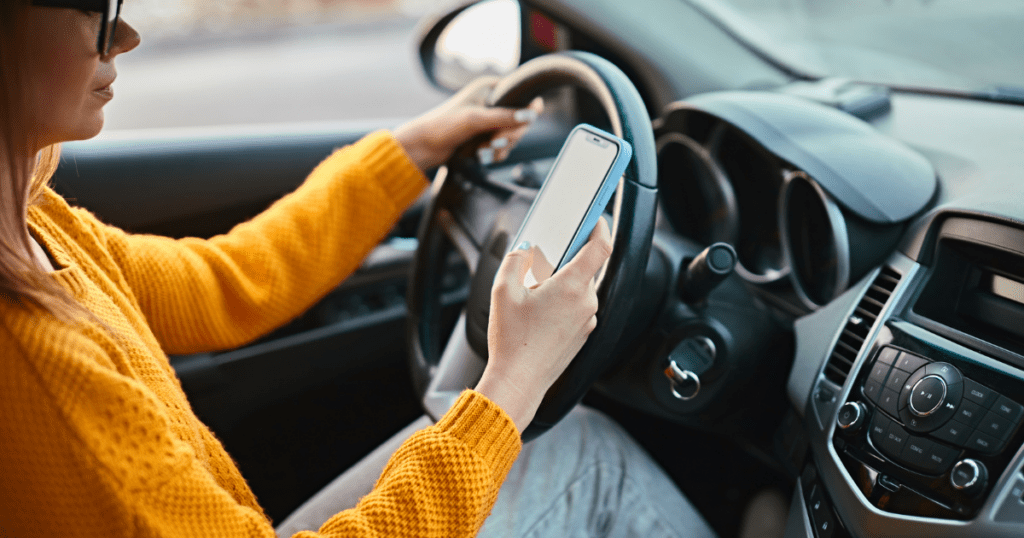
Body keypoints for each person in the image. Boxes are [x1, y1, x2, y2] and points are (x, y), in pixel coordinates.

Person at [0, 2, 718, 537]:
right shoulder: (41, 365)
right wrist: (513, 381)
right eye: (95, 10)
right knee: (590, 461)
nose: (124, 36)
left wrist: (411, 149)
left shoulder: (35, 224)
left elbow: (228, 281)